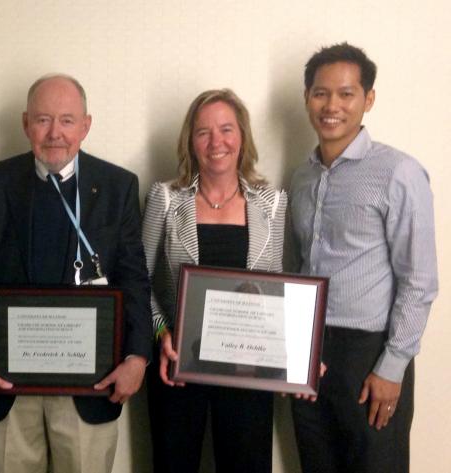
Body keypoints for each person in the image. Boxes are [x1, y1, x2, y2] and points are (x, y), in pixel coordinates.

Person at [0, 73, 151, 473]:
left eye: (66, 120)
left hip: (91, 383)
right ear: (26, 124)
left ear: (86, 125)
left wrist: (137, 357)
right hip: (5, 383)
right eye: (43, 119)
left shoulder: (117, 187)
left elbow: (133, 278)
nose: (54, 133)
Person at [289, 43, 438, 473]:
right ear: (306, 97)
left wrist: (392, 368)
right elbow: (296, 266)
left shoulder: (399, 173)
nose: (331, 105)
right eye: (320, 93)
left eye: (346, 93)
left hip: (369, 353)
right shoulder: (301, 177)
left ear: (368, 99)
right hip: (310, 351)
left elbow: (419, 281)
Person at [142, 89, 287, 473]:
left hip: (248, 369)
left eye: (226, 129)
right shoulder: (167, 198)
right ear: (190, 141)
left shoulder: (271, 203)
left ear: (242, 136)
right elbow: (137, 278)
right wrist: (161, 332)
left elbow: (276, 289)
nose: (216, 141)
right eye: (203, 132)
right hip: (177, 365)